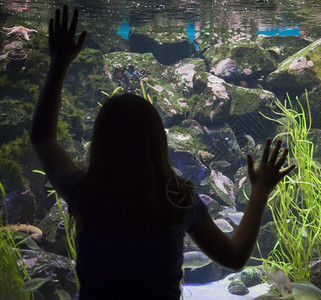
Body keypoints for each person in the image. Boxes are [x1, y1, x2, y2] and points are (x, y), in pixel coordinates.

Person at [30, 6, 295, 299]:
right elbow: (233, 257)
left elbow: (43, 138)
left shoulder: (87, 193)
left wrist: (59, 63)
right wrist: (259, 191)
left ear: (101, 141)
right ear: (158, 142)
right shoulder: (178, 200)